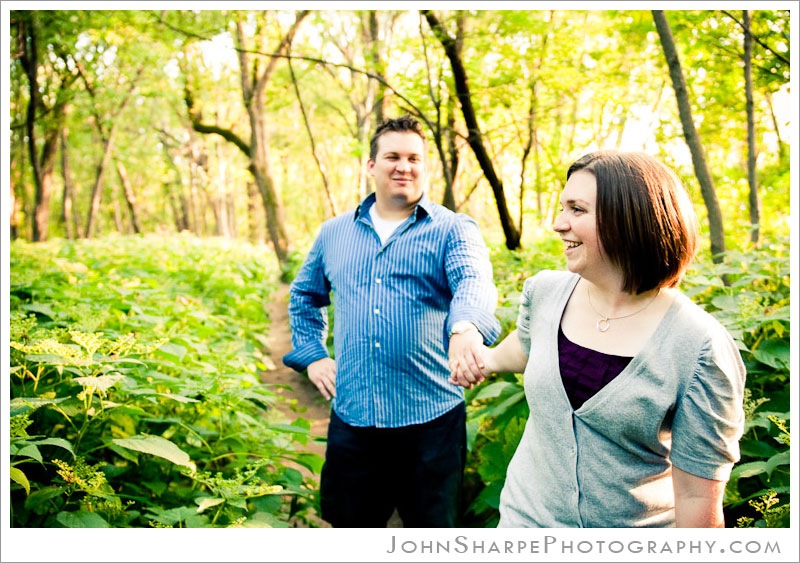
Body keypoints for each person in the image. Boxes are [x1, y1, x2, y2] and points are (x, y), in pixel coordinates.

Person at [450, 150, 746, 528]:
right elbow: (528, 345)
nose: (558, 224)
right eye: (562, 208)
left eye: (577, 209)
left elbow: (696, 498)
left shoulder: (700, 347)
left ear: (630, 219)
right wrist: (483, 360)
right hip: (523, 525)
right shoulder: (546, 294)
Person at [283, 114, 501, 528]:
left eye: (415, 158)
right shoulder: (334, 233)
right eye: (393, 157)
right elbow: (304, 297)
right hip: (354, 419)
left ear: (425, 166)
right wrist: (312, 356)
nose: (405, 166)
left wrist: (465, 328)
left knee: (434, 532)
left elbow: (473, 280)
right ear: (371, 166)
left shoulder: (452, 229)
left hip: (432, 421)